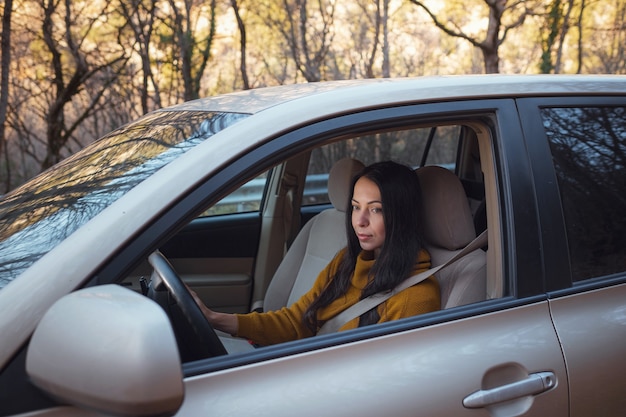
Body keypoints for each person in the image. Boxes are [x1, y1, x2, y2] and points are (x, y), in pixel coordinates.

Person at [194, 160, 440, 346]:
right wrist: (214, 318)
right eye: (355, 207)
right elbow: (295, 322)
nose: (360, 221)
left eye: (375, 210)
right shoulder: (346, 263)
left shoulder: (415, 298)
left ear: (402, 215)